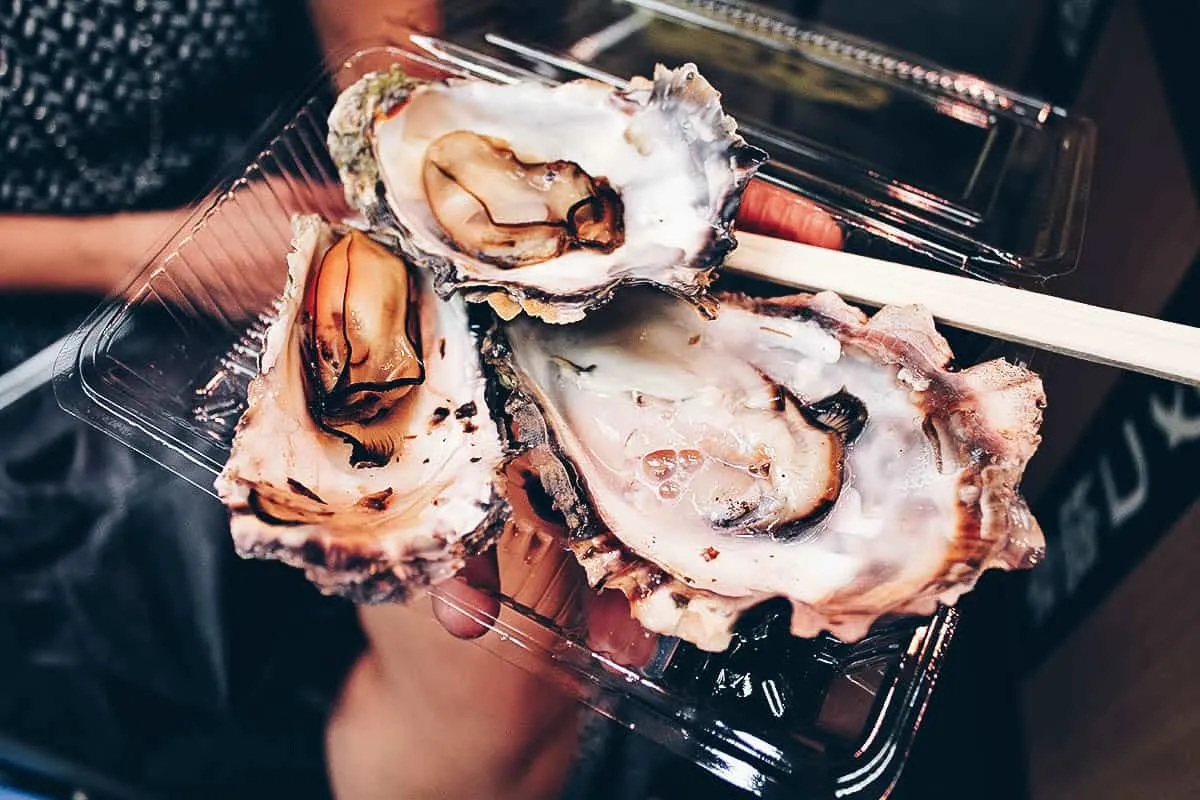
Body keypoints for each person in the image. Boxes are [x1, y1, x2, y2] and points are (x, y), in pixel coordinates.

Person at [0, 2, 845, 798]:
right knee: (487, 658)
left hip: (315, 188)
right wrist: (127, 253)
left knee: (516, 670)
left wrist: (412, 140)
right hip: (43, 336)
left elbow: (378, 44)